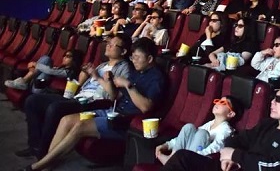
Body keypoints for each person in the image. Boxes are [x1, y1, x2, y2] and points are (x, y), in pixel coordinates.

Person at [21, 39, 165, 171]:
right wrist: (109, 81)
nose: (134, 61)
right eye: (133, 57)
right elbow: (115, 96)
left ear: (149, 59)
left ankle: (39, 166)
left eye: (137, 57)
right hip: (112, 111)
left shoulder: (156, 78)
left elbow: (145, 107)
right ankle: (46, 163)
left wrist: (128, 85)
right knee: (66, 120)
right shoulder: (136, 73)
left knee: (80, 126)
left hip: (125, 121)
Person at [18, 35, 132, 159]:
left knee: (55, 108)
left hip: (94, 102)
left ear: (123, 51)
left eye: (112, 44)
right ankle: (34, 146)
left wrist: (97, 77)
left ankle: (44, 152)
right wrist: (84, 76)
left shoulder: (125, 68)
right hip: (78, 96)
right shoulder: (102, 65)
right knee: (32, 100)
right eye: (108, 43)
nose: (108, 46)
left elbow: (115, 95)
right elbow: (82, 85)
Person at [161, 83, 280, 171]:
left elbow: (274, 167)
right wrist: (227, 156)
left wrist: (235, 155)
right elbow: (238, 139)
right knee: (182, 156)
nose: (272, 102)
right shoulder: (268, 124)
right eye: (273, 98)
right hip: (234, 167)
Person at [155, 96, 242, 164]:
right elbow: (187, 137)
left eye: (223, 103)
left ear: (231, 113)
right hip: (188, 154)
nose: (218, 103)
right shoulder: (210, 123)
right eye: (218, 101)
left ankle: (179, 163)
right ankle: (172, 158)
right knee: (189, 127)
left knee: (202, 133)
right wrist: (167, 145)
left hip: (201, 160)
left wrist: (196, 154)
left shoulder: (226, 130)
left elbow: (217, 147)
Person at [5, 49, 84, 93]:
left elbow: (51, 71)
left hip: (39, 89)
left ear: (74, 60)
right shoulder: (61, 68)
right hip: (37, 84)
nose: (64, 58)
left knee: (46, 59)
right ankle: (24, 81)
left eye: (68, 56)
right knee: (44, 63)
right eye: (64, 55)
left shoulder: (69, 72)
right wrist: (34, 68)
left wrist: (36, 65)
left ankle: (24, 81)